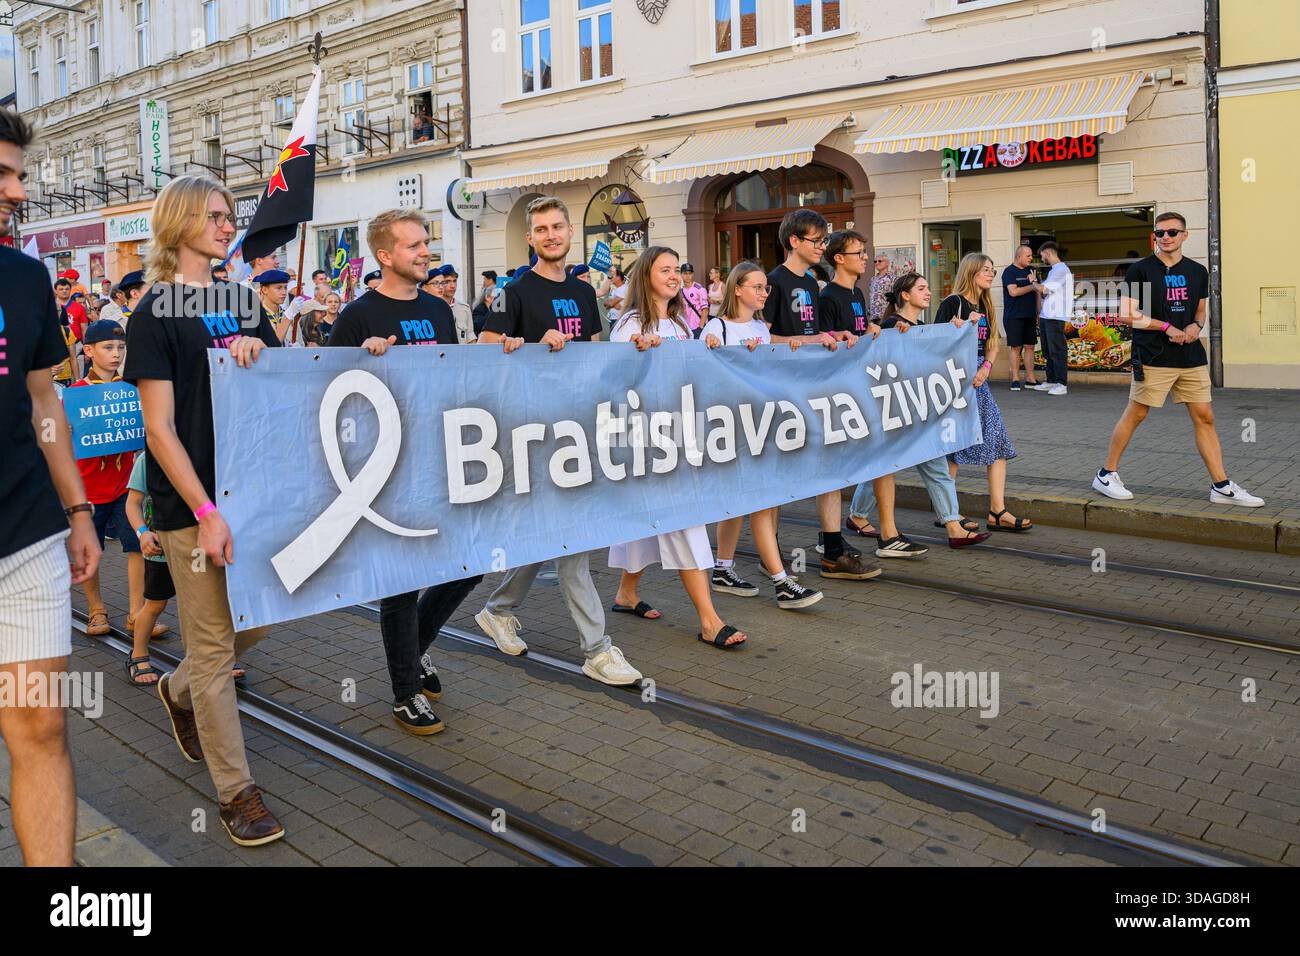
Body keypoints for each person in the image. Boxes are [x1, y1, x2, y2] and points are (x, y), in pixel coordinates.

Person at [124, 174, 285, 847]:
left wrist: (258, 354)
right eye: (215, 216)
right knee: (215, 646)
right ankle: (236, 793)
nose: (227, 226)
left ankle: (178, 690)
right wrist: (205, 509)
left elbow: (286, 381)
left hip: (255, 491)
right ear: (181, 222)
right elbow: (159, 430)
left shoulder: (243, 301)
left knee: (261, 620)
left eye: (230, 216)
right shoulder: (152, 313)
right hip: (192, 505)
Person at [475, 196, 643, 686]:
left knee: (554, 532)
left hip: (575, 426)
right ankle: (597, 649)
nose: (550, 235)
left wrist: (632, 348)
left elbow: (593, 354)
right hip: (532, 430)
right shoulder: (512, 290)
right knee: (573, 539)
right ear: (530, 239)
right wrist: (530, 345)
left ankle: (498, 609)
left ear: (571, 233)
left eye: (557, 227)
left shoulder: (584, 291)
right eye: (541, 229)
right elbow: (484, 351)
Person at [330, 209, 484, 734]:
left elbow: (455, 377)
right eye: (415, 245)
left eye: (426, 243)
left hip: (440, 455)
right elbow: (332, 396)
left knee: (470, 562)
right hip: (386, 468)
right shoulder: (357, 316)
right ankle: (404, 693)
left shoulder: (440, 312)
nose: (425, 252)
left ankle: (414, 648)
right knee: (398, 582)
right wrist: (362, 361)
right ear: (385, 255)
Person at [0, 106, 101, 866]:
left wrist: (78, 510)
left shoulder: (27, 276)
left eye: (21, 175)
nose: (18, 192)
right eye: (3, 174)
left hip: (27, 534)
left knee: (40, 726)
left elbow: (43, 403)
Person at [607, 247, 750, 648]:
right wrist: (636, 352)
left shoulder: (682, 324)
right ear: (645, 275)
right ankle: (709, 619)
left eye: (676, 269)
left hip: (678, 435)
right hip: (649, 441)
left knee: (647, 522)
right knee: (684, 521)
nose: (673, 276)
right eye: (664, 269)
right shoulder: (630, 322)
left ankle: (625, 592)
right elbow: (617, 377)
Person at [1093, 211, 1264, 507]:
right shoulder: (1141, 271)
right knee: (1137, 414)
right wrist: (1165, 326)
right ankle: (1106, 474)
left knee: (1205, 416)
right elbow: (1126, 314)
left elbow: (1200, 313)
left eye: (1172, 232)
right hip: (1153, 354)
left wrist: (1194, 328)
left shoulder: (1197, 272)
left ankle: (1221, 486)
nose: (1166, 238)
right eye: (1160, 233)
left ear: (1185, 235)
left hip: (1190, 355)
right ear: (1154, 237)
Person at [764, 209, 878, 581]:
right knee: (780, 476)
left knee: (830, 467)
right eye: (817, 241)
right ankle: (772, 552)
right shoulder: (773, 282)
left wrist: (837, 337)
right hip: (783, 390)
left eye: (824, 240)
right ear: (794, 241)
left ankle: (832, 547)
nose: (822, 247)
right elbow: (761, 340)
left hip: (816, 387)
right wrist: (807, 340)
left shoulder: (814, 284)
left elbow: (817, 333)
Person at [703, 262, 825, 608]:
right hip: (734, 428)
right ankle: (781, 580)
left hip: (761, 424)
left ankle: (723, 567)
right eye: (756, 287)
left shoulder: (758, 326)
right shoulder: (717, 327)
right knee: (760, 501)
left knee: (743, 504)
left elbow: (780, 354)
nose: (763, 293)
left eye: (765, 288)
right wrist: (714, 350)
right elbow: (704, 376)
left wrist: (803, 344)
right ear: (736, 289)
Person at [863, 272, 993, 549]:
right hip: (896, 410)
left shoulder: (921, 326)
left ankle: (953, 526)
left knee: (933, 465)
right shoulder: (890, 325)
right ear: (905, 295)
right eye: (921, 288)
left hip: (918, 410)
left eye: (927, 288)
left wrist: (956, 331)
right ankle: (858, 514)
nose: (928, 292)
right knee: (884, 466)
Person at [822, 232, 929, 560]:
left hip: (863, 387)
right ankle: (831, 540)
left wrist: (874, 328)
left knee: (884, 460)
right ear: (840, 258)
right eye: (859, 252)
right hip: (842, 393)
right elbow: (823, 346)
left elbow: (858, 331)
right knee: (837, 471)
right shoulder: (828, 296)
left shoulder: (855, 292)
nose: (867, 257)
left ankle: (888, 533)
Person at [70, 319, 158, 641]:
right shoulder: (74, 395)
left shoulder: (131, 390)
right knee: (90, 549)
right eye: (108, 347)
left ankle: (136, 612)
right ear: (89, 351)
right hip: (88, 489)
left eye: (121, 347)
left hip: (125, 485)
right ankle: (96, 609)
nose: (116, 353)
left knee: (136, 544)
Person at [937, 254, 1033, 533]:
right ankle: (948, 512)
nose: (991, 275)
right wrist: (965, 325)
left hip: (979, 378)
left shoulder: (986, 304)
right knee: (954, 444)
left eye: (993, 270)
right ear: (971, 271)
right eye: (986, 270)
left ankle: (997, 510)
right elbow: (937, 342)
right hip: (955, 377)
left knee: (996, 439)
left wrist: (987, 367)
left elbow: (992, 344)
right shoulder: (953, 303)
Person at [122, 451, 173, 686]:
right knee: (155, 604)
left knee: (203, 605)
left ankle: (216, 657)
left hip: (198, 546)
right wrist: (142, 533)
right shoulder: (147, 459)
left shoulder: (206, 446)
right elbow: (133, 503)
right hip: (160, 547)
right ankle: (138, 654)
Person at [1031, 241, 1072, 396]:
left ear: (1048, 253)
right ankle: (1052, 381)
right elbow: (1045, 292)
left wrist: (1033, 282)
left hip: (1056, 316)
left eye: (1042, 256)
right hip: (1047, 315)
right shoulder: (1054, 271)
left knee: (1057, 350)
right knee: (1048, 351)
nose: (1042, 259)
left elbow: (1043, 289)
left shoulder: (1061, 270)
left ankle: (1061, 383)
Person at [1002, 243, 1042, 390]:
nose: (1031, 258)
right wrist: (1032, 286)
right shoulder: (1009, 272)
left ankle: (1030, 378)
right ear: (1019, 256)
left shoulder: (1032, 270)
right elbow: (1013, 292)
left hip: (1030, 315)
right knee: (1016, 347)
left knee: (1030, 346)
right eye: (1028, 255)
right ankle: (1015, 379)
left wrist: (1038, 312)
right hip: (1014, 316)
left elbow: (1037, 291)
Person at [439, 264, 476, 344]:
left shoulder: (464, 308)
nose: (453, 286)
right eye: (447, 281)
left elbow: (470, 338)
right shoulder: (433, 307)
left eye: (454, 281)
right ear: (440, 283)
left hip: (461, 355)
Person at [254, 268, 291, 341]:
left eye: (285, 288)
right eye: (278, 288)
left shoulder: (288, 314)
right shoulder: (256, 317)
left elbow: (300, 342)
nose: (284, 292)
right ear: (264, 290)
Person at [678, 261, 708, 336]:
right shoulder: (680, 292)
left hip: (698, 327)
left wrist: (700, 327)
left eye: (690, 273)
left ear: (693, 274)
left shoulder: (700, 289)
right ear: (681, 275)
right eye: (685, 273)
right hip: (686, 328)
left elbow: (705, 309)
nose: (687, 276)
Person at [867, 252, 897, 323]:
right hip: (873, 316)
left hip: (886, 315)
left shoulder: (893, 278)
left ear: (887, 263)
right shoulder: (873, 279)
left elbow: (896, 296)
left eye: (880, 261)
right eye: (875, 261)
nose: (877, 263)